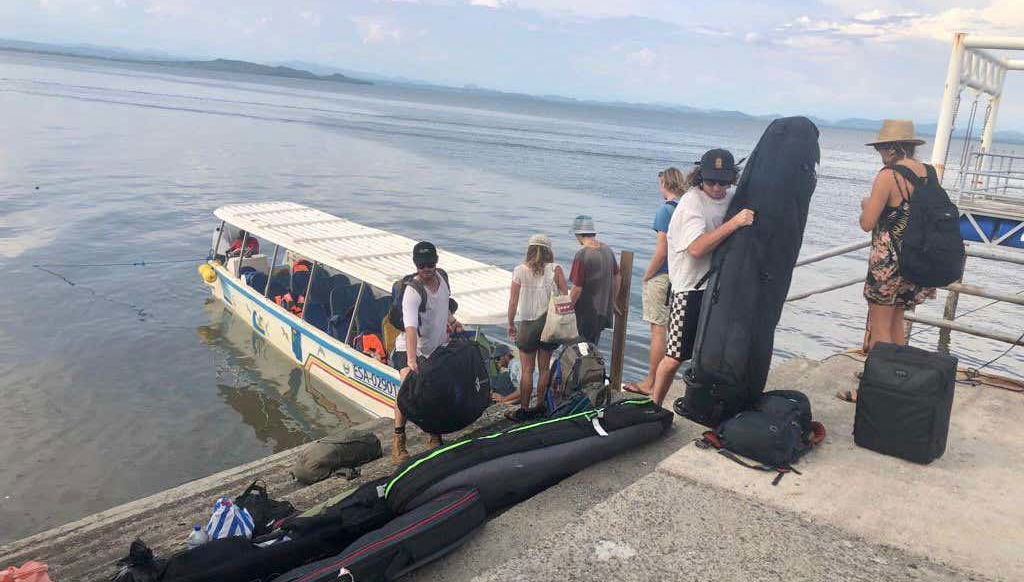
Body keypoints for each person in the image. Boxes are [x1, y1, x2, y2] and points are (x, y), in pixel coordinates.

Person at [838, 120, 937, 402]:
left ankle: (876, 393)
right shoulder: (928, 172)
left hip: (889, 263)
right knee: (897, 323)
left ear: (891, 147)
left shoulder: (888, 175)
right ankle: (899, 384)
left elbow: (868, 223)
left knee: (881, 327)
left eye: (881, 147)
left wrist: (865, 206)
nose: (879, 153)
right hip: (917, 261)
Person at [649, 149, 756, 406]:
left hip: (716, 287)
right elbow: (696, 249)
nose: (718, 188)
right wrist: (734, 224)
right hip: (688, 289)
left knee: (710, 353)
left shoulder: (731, 196)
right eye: (711, 182)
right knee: (675, 355)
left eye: (724, 181)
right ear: (700, 179)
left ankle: (701, 403)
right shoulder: (691, 203)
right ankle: (654, 406)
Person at [624, 168, 686, 396]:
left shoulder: (664, 211)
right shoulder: (684, 209)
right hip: (679, 276)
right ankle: (658, 380)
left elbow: (662, 250)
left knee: (657, 330)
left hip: (662, 275)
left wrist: (646, 275)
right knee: (670, 329)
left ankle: (650, 381)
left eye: (660, 184)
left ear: (664, 184)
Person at [390, 241, 453, 463]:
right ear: (416, 265)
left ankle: (433, 433)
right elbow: (410, 327)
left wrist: (453, 320)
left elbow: (444, 306)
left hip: (435, 347)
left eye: (430, 263)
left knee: (435, 391)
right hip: (410, 348)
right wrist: (410, 359)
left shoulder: (443, 278)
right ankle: (398, 440)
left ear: (436, 262)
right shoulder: (412, 291)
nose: (426, 268)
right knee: (407, 392)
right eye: (421, 264)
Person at [505, 234, 569, 421]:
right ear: (549, 251)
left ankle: (524, 409)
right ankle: (540, 406)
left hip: (527, 325)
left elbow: (513, 302)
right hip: (549, 324)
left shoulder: (519, 270)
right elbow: (564, 296)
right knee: (544, 370)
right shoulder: (556, 269)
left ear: (530, 250)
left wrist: (510, 323)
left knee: (526, 370)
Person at [568, 217, 620, 346]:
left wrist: (567, 309)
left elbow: (577, 288)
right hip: (603, 312)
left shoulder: (582, 255)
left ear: (578, 234)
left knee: (578, 350)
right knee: (592, 348)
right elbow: (617, 276)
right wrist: (612, 300)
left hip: (586, 313)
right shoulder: (608, 250)